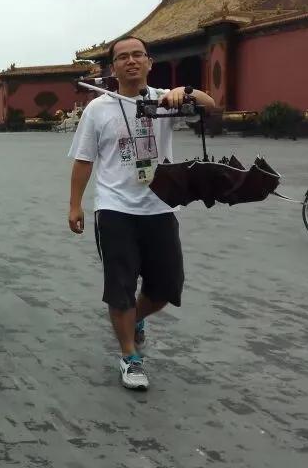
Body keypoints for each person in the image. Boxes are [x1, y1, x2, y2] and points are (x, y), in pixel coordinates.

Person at [67, 35, 215, 391]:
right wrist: (75, 204)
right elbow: (84, 160)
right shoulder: (97, 109)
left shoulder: (165, 100)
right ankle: (129, 356)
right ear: (113, 67)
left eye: (138, 55)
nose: (131, 61)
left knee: (166, 287)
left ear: (149, 62)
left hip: (160, 206)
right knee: (119, 286)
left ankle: (135, 317)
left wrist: (185, 91)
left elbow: (211, 105)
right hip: (115, 208)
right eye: (123, 57)